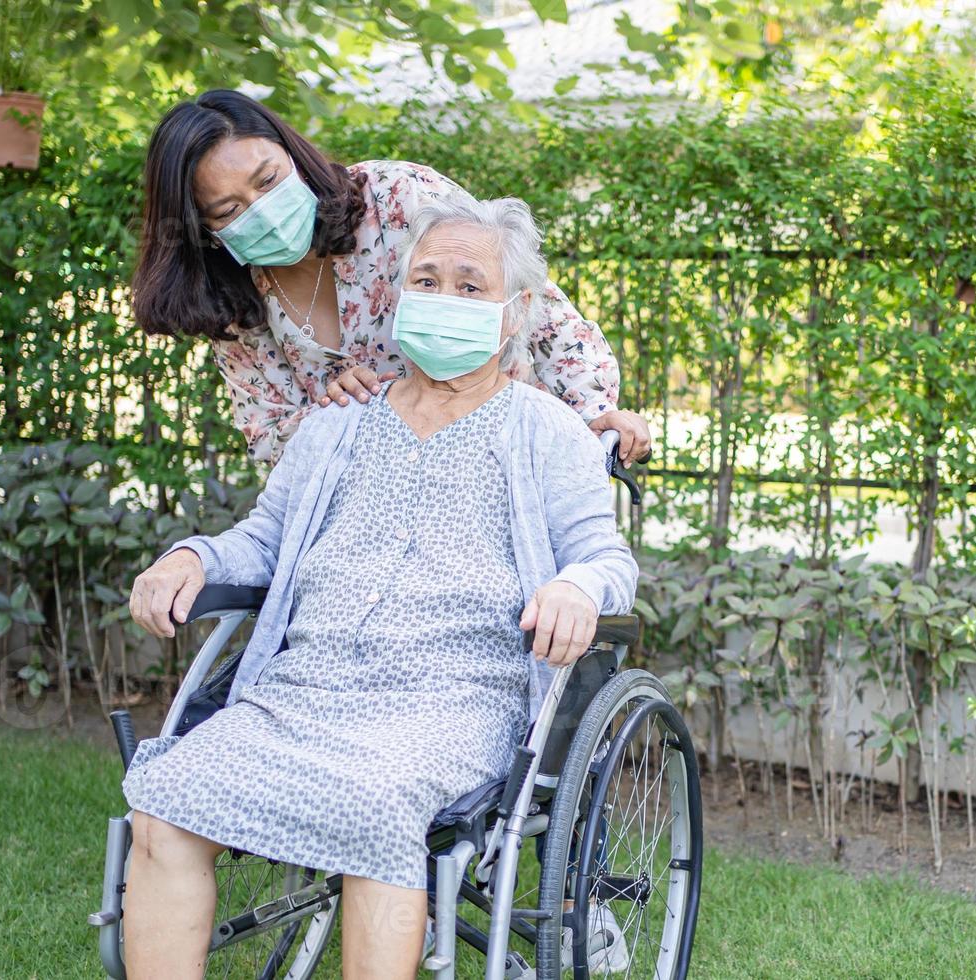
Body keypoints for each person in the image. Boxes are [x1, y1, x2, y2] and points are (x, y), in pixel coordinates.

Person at [119, 192, 638, 979]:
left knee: (372, 806)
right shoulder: (336, 424)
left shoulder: (547, 429)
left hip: (453, 700)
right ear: (397, 297)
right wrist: (190, 558)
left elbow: (609, 560)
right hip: (301, 690)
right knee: (165, 799)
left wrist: (576, 587)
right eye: (426, 279)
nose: (444, 298)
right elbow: (262, 541)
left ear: (515, 312)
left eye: (471, 286)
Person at [130, 88, 652, 466]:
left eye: (268, 180)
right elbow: (272, 439)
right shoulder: (230, 303)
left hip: (505, 461)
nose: (262, 211)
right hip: (371, 514)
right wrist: (335, 411)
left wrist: (595, 413)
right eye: (228, 210)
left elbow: (536, 311)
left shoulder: (396, 197)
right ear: (204, 230)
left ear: (291, 151)